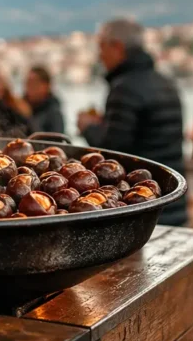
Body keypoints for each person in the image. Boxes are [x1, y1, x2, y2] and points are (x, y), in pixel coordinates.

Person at [76, 18, 186, 226]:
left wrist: (88, 127)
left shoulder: (124, 88)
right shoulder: (166, 82)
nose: (99, 55)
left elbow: (112, 151)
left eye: (101, 46)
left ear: (117, 46)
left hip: (143, 204)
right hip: (173, 199)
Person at [24, 66, 65, 135]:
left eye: (34, 83)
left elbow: (56, 141)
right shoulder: (19, 105)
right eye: (28, 83)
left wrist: (28, 116)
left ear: (46, 86)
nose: (29, 87)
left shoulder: (54, 112)